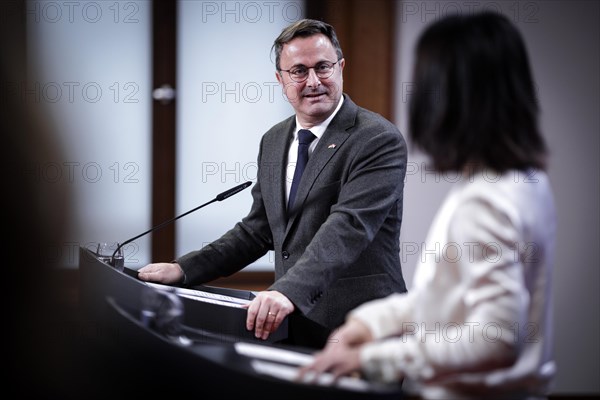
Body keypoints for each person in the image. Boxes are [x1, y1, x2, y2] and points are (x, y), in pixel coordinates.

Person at [298, 11, 556, 400]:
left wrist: (375, 359)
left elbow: (496, 338)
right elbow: (447, 298)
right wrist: (372, 322)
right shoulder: (526, 182)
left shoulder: (486, 201)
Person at [138, 18, 408, 347]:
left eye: (323, 67)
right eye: (299, 70)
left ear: (341, 68)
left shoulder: (377, 138)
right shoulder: (274, 140)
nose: (313, 81)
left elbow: (348, 228)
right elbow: (259, 230)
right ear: (280, 79)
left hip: (361, 326)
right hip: (292, 324)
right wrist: (184, 269)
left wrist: (285, 291)